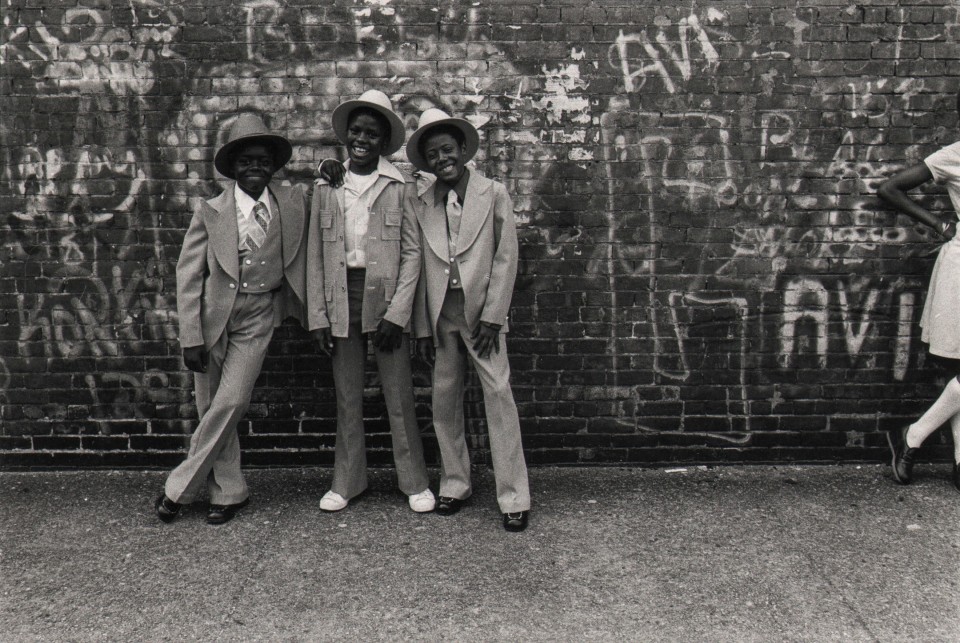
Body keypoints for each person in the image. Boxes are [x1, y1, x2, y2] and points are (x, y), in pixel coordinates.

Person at [156, 113, 309, 524]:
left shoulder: (291, 202)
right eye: (245, 161)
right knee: (210, 406)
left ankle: (179, 487)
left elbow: (332, 199)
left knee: (233, 399)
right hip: (211, 318)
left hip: (259, 313)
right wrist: (190, 335)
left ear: (273, 165)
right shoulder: (211, 210)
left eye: (262, 160)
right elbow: (188, 274)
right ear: (233, 167)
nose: (254, 168)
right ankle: (228, 491)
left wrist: (333, 171)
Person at [305, 90, 435, 513]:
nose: (362, 139)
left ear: (383, 141)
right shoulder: (327, 185)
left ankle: (414, 482)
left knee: (398, 393)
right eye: (356, 131)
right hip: (341, 296)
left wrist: (398, 313)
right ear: (346, 135)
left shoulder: (400, 186)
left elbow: (413, 252)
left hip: (385, 298)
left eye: (372, 134)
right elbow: (315, 256)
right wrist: (318, 316)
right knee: (348, 395)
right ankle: (347, 482)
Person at [407, 108, 531, 531]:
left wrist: (495, 316)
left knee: (498, 395)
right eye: (433, 154)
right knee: (444, 401)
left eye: (447, 150)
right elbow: (420, 266)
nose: (442, 159)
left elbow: (506, 256)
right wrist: (422, 327)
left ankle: (514, 495)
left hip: (483, 316)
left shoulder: (492, 193)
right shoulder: (423, 200)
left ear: (462, 150)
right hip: (442, 315)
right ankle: (455, 483)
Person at [878, 95, 960, 492]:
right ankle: (925, 444)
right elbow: (890, 189)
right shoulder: (953, 156)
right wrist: (939, 225)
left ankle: (919, 439)